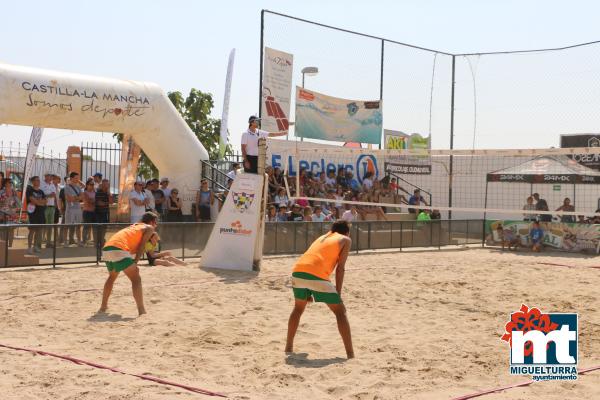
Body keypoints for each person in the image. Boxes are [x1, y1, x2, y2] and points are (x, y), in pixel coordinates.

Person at [285, 220, 354, 359]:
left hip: (298, 271)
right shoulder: (345, 239)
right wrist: (338, 293)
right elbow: (340, 269)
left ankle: (288, 347)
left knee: (298, 309)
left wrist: (309, 291)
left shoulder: (322, 237)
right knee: (340, 312)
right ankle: (350, 354)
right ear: (346, 231)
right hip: (316, 274)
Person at [99, 212, 158, 316]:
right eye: (156, 223)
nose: (156, 225)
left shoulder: (135, 226)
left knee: (112, 277)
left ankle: (103, 307)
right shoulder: (149, 228)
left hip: (107, 248)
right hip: (118, 248)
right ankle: (142, 311)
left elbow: (132, 249)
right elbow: (141, 246)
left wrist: (136, 258)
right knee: (136, 279)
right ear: (152, 222)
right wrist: (135, 262)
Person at [26, 176, 47, 254]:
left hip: (41, 213)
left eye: (39, 180)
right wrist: (39, 202)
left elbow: (45, 201)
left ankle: (35, 246)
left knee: (39, 231)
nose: (38, 182)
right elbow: (32, 200)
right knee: (32, 230)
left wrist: (38, 202)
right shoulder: (29, 190)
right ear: (32, 181)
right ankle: (29, 247)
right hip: (33, 214)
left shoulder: (41, 191)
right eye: (36, 180)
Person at [64, 172, 84, 246]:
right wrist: (77, 198)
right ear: (71, 178)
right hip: (70, 209)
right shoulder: (67, 187)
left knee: (78, 225)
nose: (77, 179)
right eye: (76, 178)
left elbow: (82, 197)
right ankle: (65, 242)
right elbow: (69, 199)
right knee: (67, 226)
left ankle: (79, 241)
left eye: (78, 178)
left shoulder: (78, 187)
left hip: (78, 208)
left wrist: (76, 198)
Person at [0, 179, 21, 246]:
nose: (9, 185)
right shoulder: (1, 192)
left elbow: (19, 204)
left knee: (11, 230)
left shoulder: (14, 192)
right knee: (3, 230)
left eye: (10, 183)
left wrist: (15, 209)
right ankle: (3, 246)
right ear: (4, 184)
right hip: (3, 214)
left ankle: (10, 246)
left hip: (12, 214)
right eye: (7, 183)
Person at [41, 173, 58, 248]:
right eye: (50, 176)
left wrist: (48, 195)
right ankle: (40, 241)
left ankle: (48, 242)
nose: (51, 177)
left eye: (52, 176)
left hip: (52, 207)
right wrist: (48, 195)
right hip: (44, 207)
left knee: (50, 225)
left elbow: (54, 195)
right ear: (46, 176)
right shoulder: (41, 184)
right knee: (42, 224)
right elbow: (41, 195)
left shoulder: (52, 185)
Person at [95, 179, 112, 248]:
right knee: (99, 227)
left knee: (105, 227)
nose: (106, 186)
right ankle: (99, 241)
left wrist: (109, 193)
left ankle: (102, 240)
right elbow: (99, 203)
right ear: (102, 185)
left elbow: (111, 202)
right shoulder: (98, 192)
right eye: (105, 184)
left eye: (107, 184)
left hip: (106, 212)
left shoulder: (108, 193)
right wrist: (106, 203)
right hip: (99, 213)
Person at [81, 179, 96, 245]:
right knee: (86, 227)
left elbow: (95, 201)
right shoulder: (84, 193)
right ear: (87, 185)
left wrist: (93, 200)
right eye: (91, 184)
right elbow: (88, 202)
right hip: (87, 212)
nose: (92, 186)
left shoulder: (95, 192)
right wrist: (93, 200)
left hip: (94, 212)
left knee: (94, 227)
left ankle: (94, 240)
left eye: (93, 184)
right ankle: (84, 241)